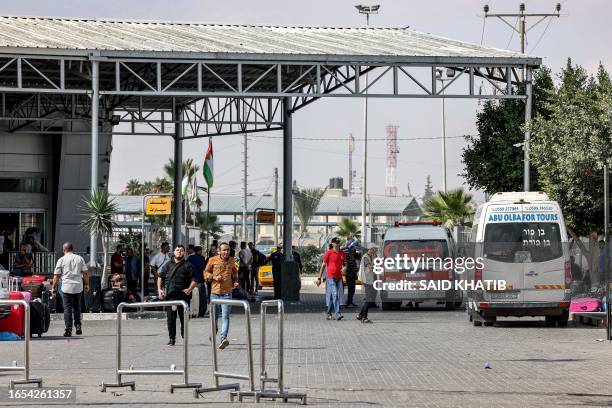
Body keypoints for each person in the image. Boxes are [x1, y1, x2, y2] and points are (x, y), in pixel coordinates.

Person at [157, 245, 197, 346]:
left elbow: (194, 280)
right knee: (170, 318)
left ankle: (184, 334)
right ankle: (172, 338)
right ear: (173, 252)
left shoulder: (188, 265)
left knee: (184, 318)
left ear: (184, 252)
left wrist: (189, 289)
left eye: (181, 250)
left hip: (184, 297)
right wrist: (159, 289)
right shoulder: (168, 265)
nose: (179, 252)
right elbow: (160, 277)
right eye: (177, 250)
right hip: (171, 296)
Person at [204, 242, 239, 349]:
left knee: (225, 317)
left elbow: (235, 273)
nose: (226, 252)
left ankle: (223, 338)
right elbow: (205, 272)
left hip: (227, 293)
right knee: (214, 318)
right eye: (224, 250)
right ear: (220, 251)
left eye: (228, 250)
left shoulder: (232, 261)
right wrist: (213, 277)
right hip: (215, 294)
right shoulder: (212, 260)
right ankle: (214, 330)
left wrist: (236, 281)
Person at [51, 242, 89, 337]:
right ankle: (78, 326)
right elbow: (85, 273)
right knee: (77, 307)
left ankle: (68, 330)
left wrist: (53, 288)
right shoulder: (79, 258)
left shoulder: (61, 260)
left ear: (64, 250)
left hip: (66, 287)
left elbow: (56, 276)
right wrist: (87, 284)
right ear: (72, 249)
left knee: (67, 309)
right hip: (78, 287)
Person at [317, 238, 346, 321]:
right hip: (330, 277)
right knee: (335, 294)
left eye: (339, 243)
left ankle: (329, 313)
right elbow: (323, 266)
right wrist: (319, 278)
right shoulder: (329, 253)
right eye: (336, 243)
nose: (338, 244)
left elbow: (345, 264)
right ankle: (338, 313)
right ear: (332, 244)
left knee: (332, 297)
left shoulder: (342, 253)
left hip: (339, 277)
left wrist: (344, 268)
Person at [357, 243, 378, 323]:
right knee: (368, 299)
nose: (375, 251)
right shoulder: (366, 257)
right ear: (370, 249)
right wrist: (374, 259)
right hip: (367, 280)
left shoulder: (372, 256)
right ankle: (364, 317)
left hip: (371, 280)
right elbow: (371, 267)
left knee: (370, 298)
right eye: (374, 249)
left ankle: (360, 315)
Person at [188, 245, 207, 317]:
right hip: (201, 280)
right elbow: (204, 268)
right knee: (202, 297)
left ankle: (194, 311)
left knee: (194, 297)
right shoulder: (202, 258)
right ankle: (201, 312)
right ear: (199, 251)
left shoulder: (190, 258)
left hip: (193, 280)